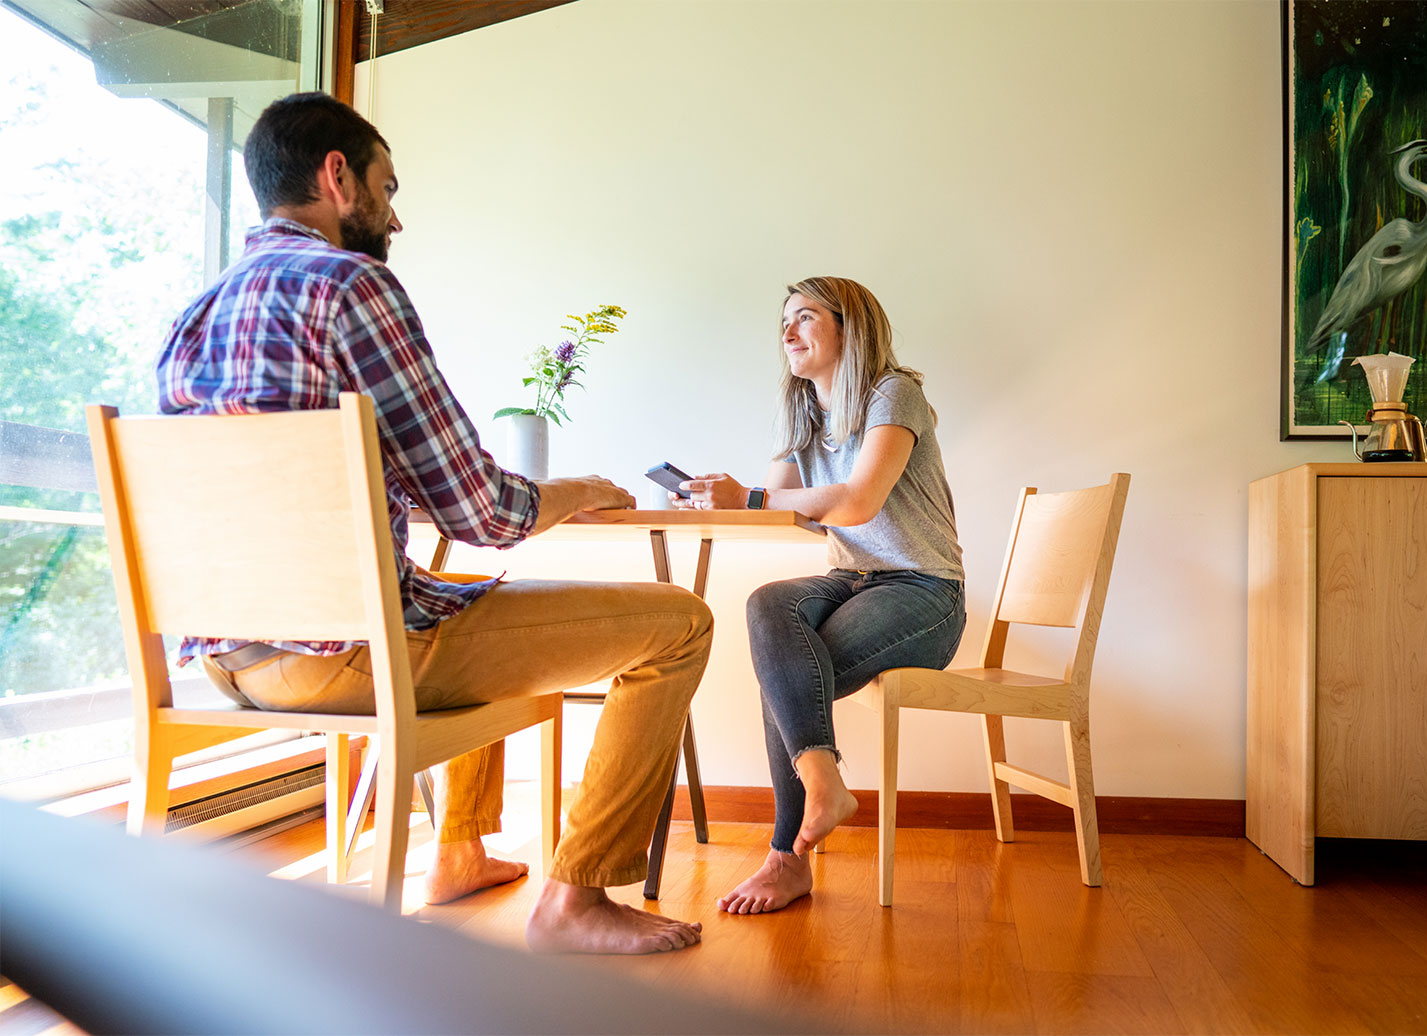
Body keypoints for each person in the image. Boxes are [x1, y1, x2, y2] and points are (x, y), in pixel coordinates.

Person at [156, 92, 711, 955]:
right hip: (342, 660)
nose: (396, 216)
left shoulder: (187, 320)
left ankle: (457, 852)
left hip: (228, 663)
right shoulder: (350, 286)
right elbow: (487, 513)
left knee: (455, 593)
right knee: (680, 622)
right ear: (337, 178)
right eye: (387, 186)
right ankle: (578, 900)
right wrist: (576, 489)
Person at [674, 277, 966, 914]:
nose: (788, 332)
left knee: (791, 671)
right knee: (767, 608)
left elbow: (857, 501)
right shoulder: (811, 415)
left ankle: (786, 857)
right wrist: (708, 494)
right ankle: (820, 784)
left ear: (848, 327)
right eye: (784, 321)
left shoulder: (895, 394)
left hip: (924, 590)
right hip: (853, 580)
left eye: (804, 317)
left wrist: (751, 497)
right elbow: (771, 505)